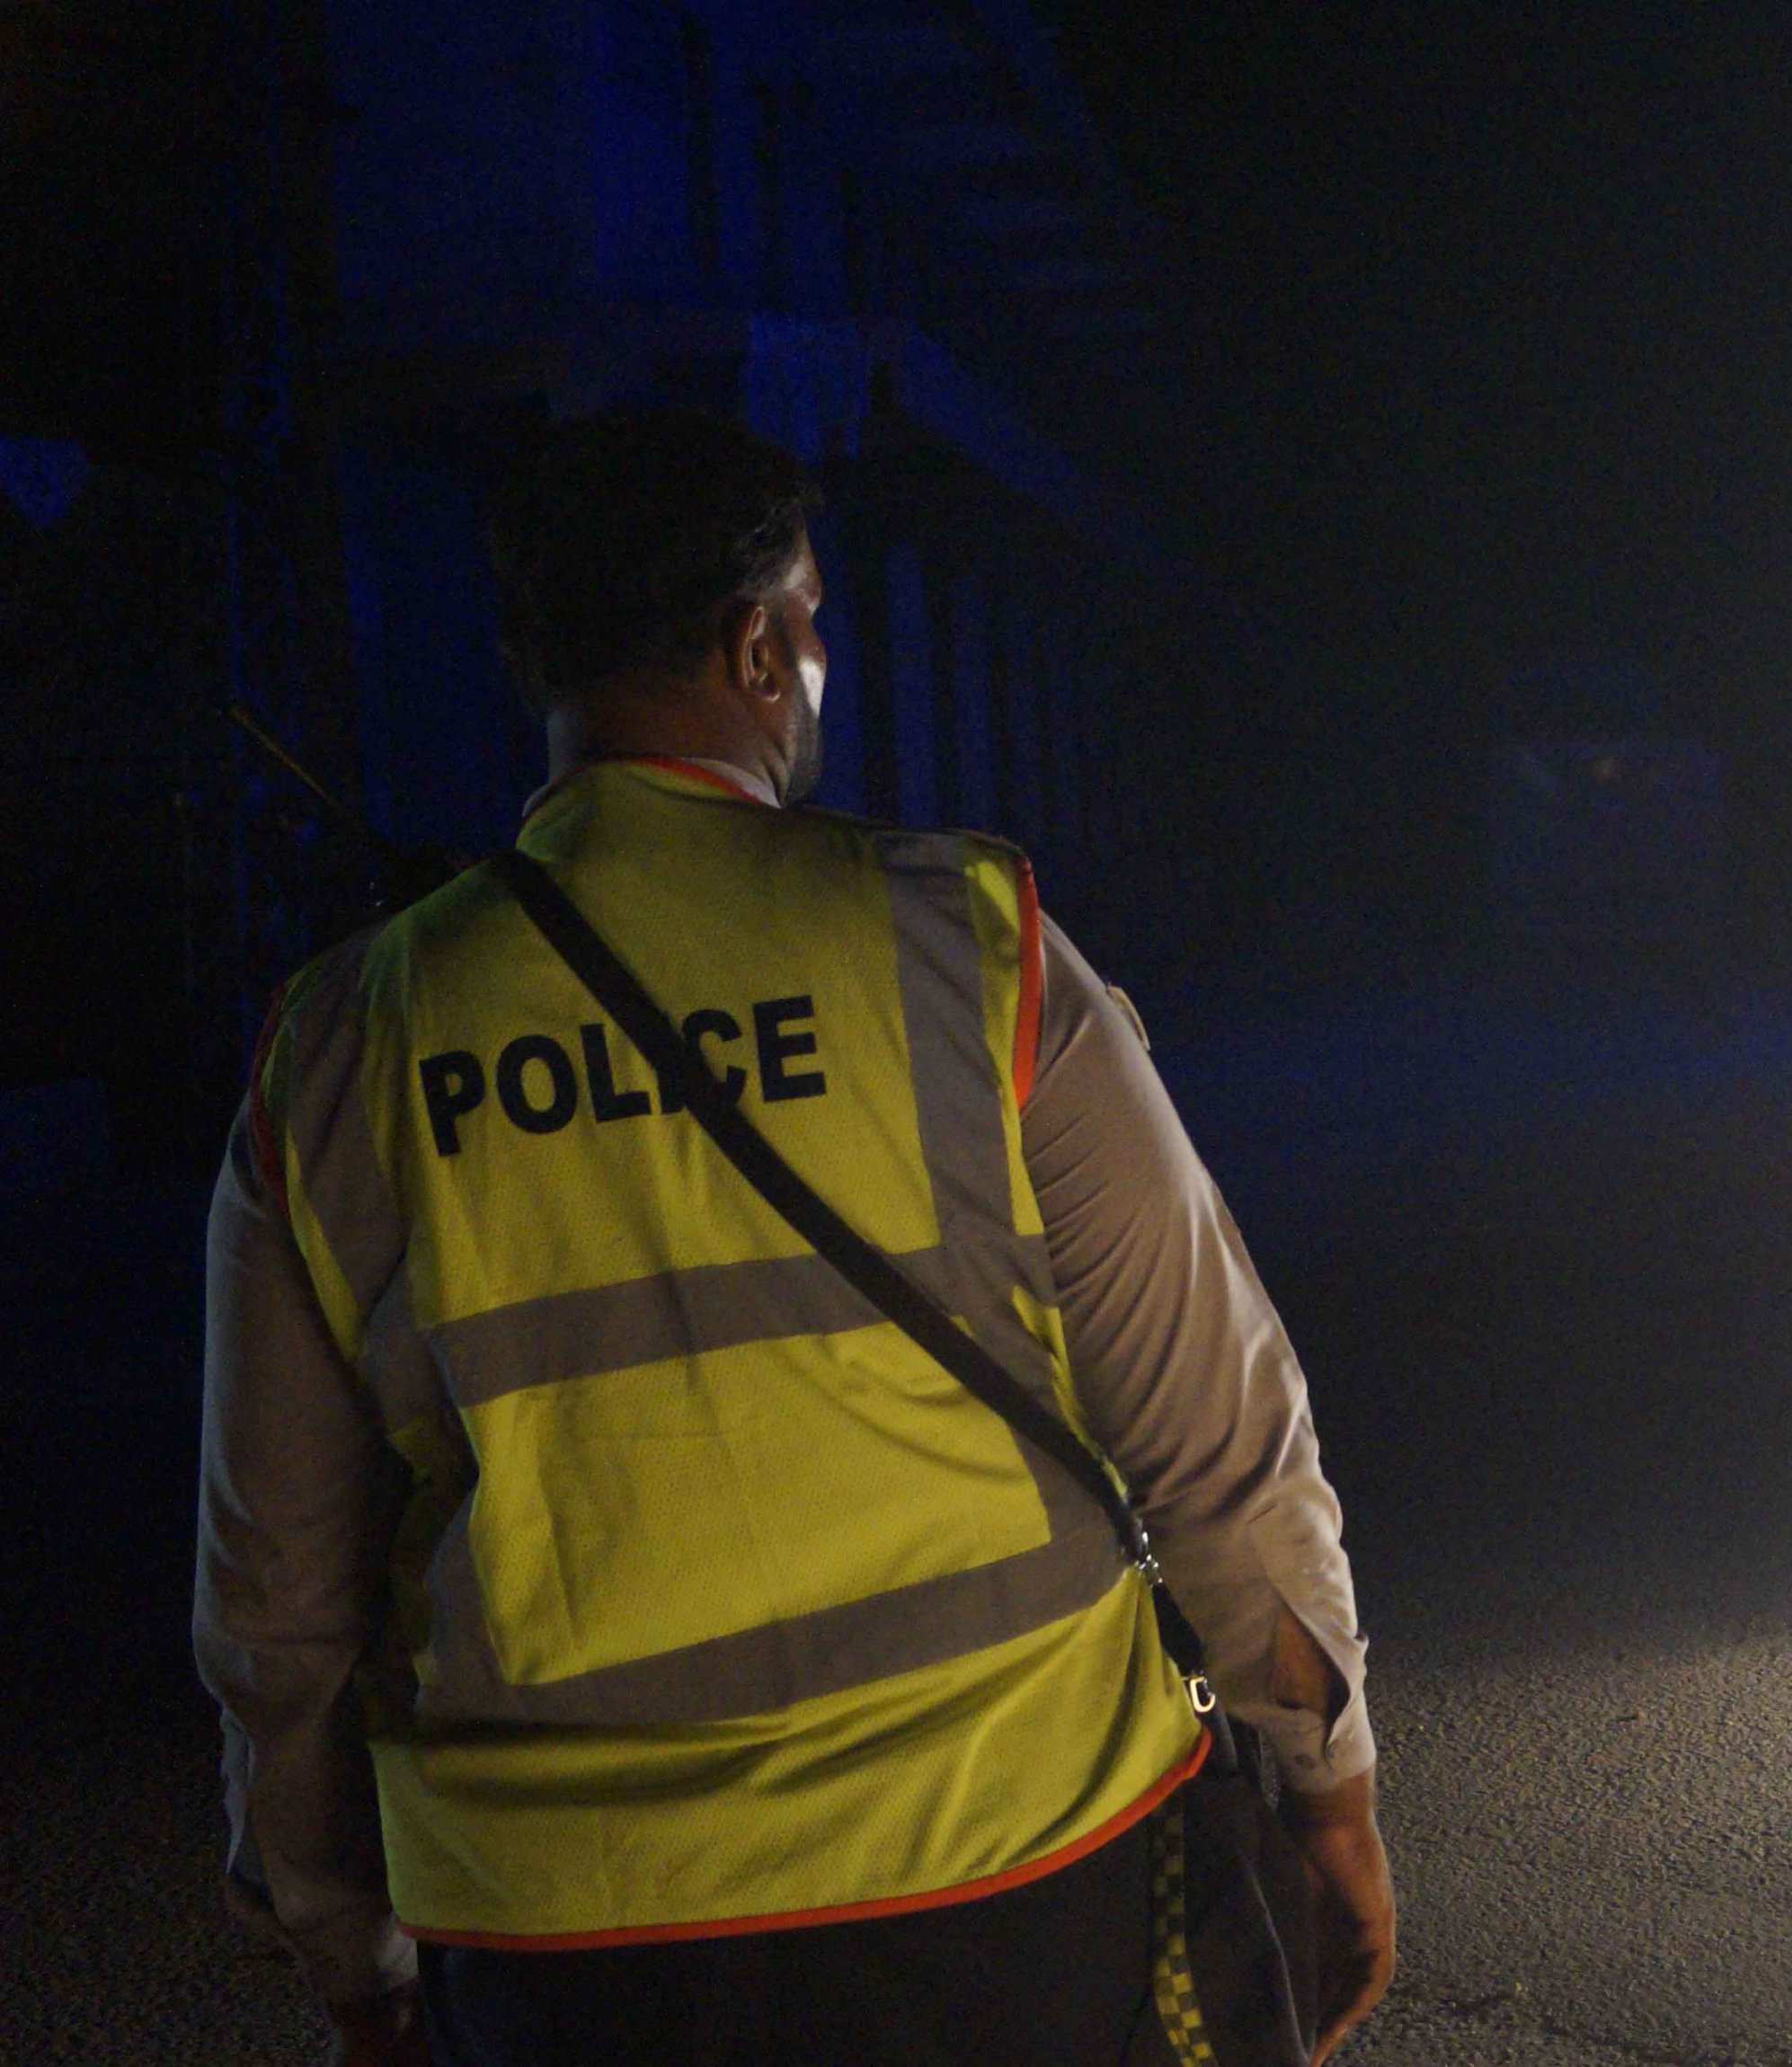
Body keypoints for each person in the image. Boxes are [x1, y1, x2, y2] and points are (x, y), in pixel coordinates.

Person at [194, 408, 1392, 2065]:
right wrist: (1324, 1780)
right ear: (758, 645)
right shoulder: (974, 953)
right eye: (814, 623)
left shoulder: (341, 1046)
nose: (820, 657)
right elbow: (1220, 1436)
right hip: (1019, 1876)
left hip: (568, 1948)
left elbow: (277, 1608)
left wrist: (348, 1952)